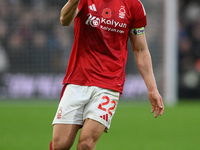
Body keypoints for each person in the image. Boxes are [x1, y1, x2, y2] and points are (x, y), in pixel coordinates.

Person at [50, 0, 164, 149]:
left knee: (86, 145)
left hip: (109, 84)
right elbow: (64, 20)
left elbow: (141, 50)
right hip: (78, 79)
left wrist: (152, 89)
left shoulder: (134, 5)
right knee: (61, 145)